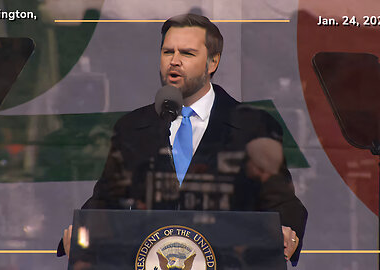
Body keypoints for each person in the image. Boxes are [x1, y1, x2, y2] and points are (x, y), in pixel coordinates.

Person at [59, 13, 307, 266]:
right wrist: (80, 231)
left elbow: (281, 201)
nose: (174, 61)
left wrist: (287, 228)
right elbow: (106, 200)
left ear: (213, 62)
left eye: (187, 54)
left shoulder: (253, 126)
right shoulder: (132, 127)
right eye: (168, 52)